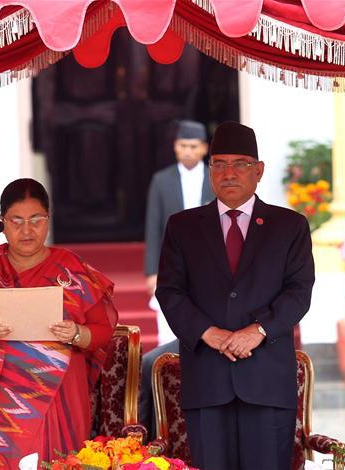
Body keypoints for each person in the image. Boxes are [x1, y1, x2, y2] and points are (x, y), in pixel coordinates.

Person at [155, 121, 314, 470]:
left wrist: (258, 330)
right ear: (210, 170)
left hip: (267, 380)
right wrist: (207, 332)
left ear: (259, 171)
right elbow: (169, 291)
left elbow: (299, 291)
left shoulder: (289, 226)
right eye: (220, 164)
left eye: (240, 164)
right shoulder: (183, 226)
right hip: (208, 378)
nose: (229, 173)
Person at [0, 178, 118, 468]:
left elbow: (103, 332)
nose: (27, 230)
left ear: (48, 220)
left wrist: (76, 333)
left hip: (59, 396)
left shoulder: (71, 268)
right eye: (16, 221)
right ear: (2, 222)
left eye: (36, 220)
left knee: (58, 462)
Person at [139, 120, 214, 436]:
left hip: (209, 267)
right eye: (183, 146)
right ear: (175, 147)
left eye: (194, 146)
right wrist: (151, 271)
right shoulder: (162, 180)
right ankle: (165, 392)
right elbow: (153, 225)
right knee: (166, 330)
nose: (188, 151)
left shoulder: (216, 178)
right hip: (172, 265)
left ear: (204, 148)